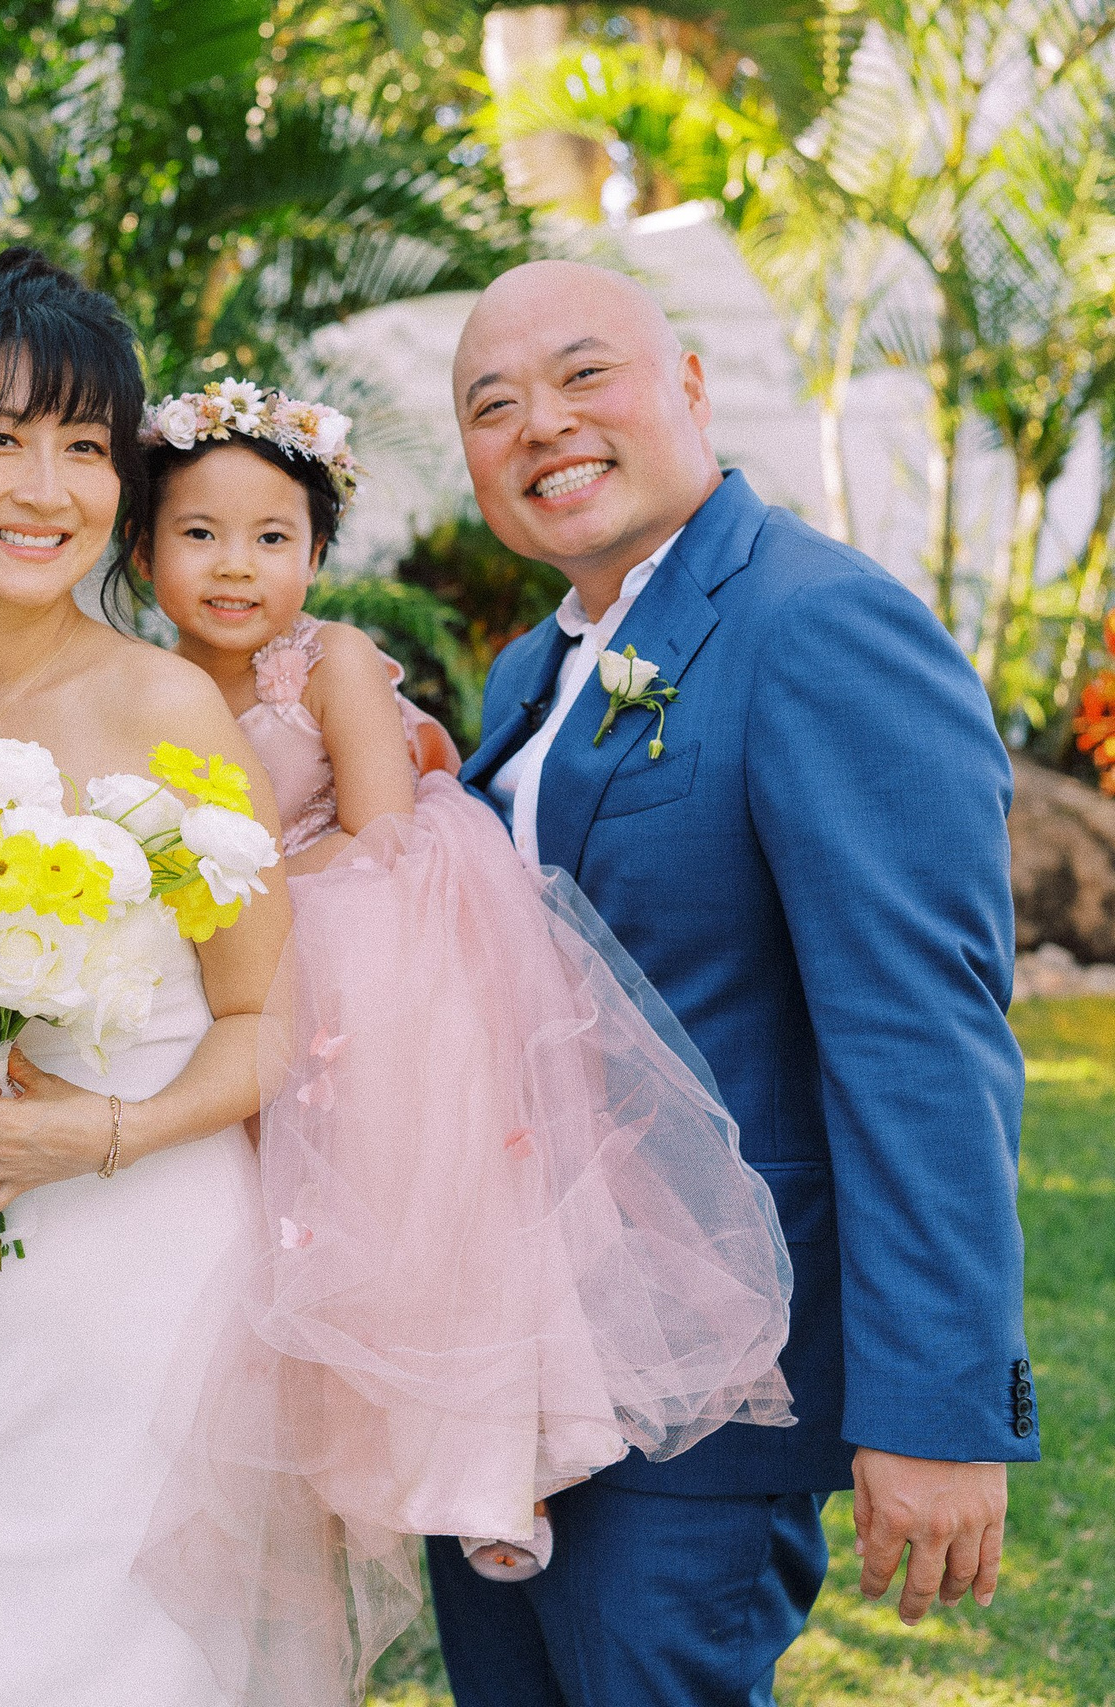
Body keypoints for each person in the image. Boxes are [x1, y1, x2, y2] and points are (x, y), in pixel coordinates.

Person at [124, 377, 796, 1701]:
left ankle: (490, 1457)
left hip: (365, 974)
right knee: (265, 1281)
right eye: (199, 533)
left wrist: (242, 915)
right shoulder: (134, 687)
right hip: (204, 1000)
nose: (238, 564)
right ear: (144, 548)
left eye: (274, 536)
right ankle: (351, 1469)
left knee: (433, 1237)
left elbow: (386, 844)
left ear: (316, 554)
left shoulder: (328, 666)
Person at [429, 258, 1035, 1705]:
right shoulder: (528, 675)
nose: (542, 426)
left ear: (689, 387)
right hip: (512, 1374)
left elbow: (920, 1039)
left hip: (710, 1388)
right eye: (492, 404)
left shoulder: (819, 624)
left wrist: (938, 1407)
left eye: (585, 376)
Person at [0, 248, 291, 1705]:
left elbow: (260, 1022)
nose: (46, 488)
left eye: (86, 446)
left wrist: (92, 1131)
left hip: (148, 1274)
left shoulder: (166, 703)